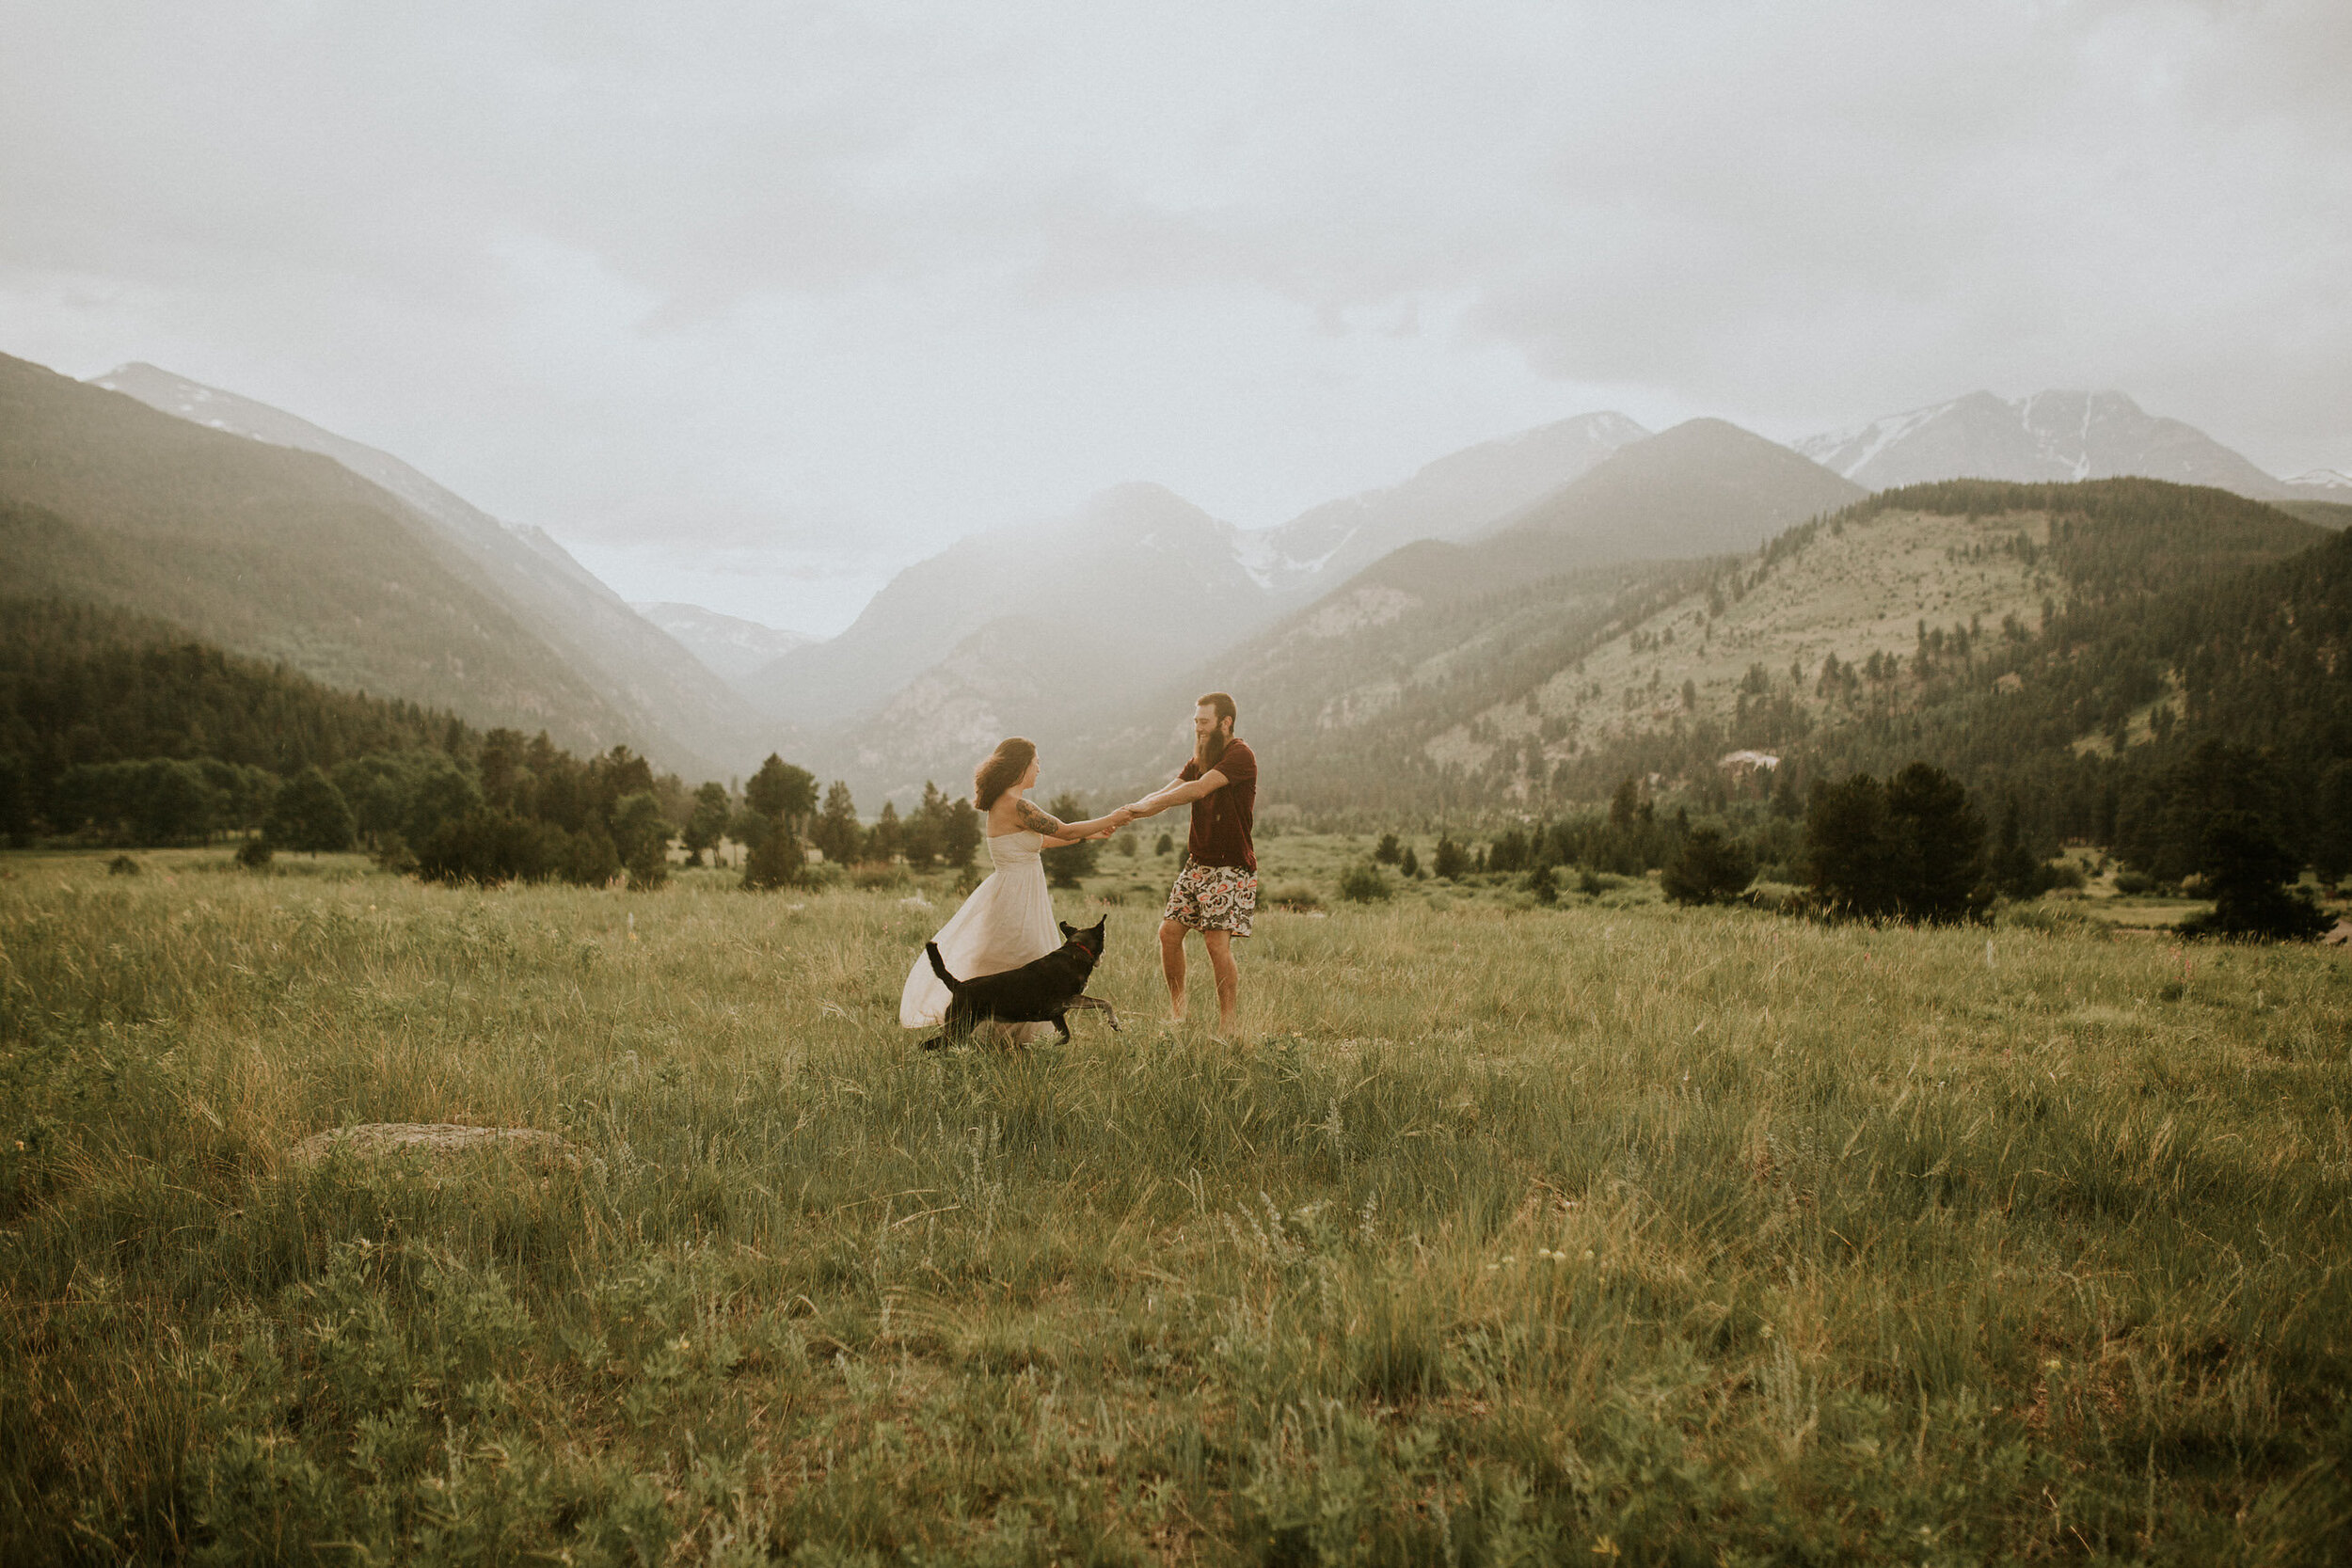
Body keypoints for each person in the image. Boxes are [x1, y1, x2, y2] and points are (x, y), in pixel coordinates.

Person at [900, 737, 1131, 1044]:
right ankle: (995, 1038)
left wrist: (1092, 836)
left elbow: (1042, 841)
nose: (1039, 769)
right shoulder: (1017, 805)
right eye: (1036, 763)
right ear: (1021, 765)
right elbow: (1066, 829)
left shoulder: (1007, 804)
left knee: (1016, 963)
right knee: (1019, 961)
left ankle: (997, 1038)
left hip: (1020, 892)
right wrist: (1114, 817)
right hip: (1016, 897)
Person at [1123, 692, 1257, 1035]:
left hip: (1230, 866)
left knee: (1216, 943)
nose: (1198, 728)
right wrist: (1132, 811)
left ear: (1225, 722)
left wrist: (1146, 807)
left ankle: (1228, 1026)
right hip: (1197, 863)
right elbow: (1170, 790)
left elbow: (1197, 790)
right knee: (1168, 934)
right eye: (1196, 721)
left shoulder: (1240, 755)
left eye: (1204, 722)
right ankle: (1179, 1014)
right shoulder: (1200, 757)